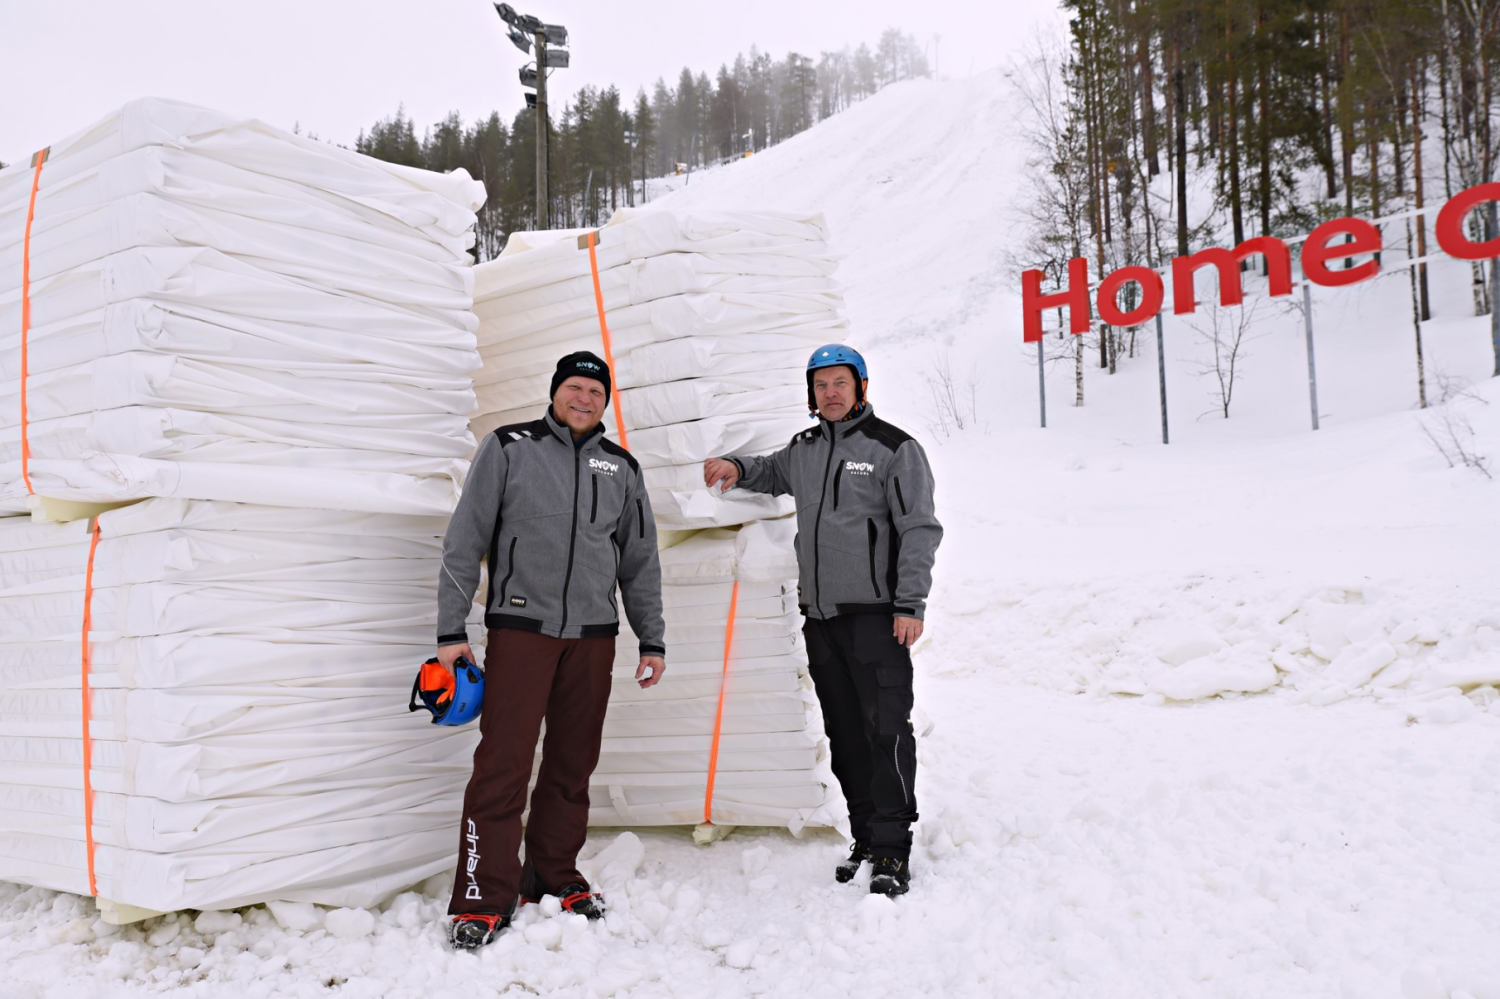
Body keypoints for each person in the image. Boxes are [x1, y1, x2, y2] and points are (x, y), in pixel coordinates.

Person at [437, 350, 667, 950]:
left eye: (595, 391)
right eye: (574, 387)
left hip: (592, 638)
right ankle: (483, 895)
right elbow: (465, 540)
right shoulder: (510, 447)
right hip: (521, 632)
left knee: (572, 766)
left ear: (605, 401)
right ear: (555, 391)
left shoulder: (622, 467)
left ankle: (553, 873)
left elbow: (639, 560)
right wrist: (450, 631)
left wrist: (652, 637)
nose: (584, 399)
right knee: (503, 766)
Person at [703, 344, 941, 898]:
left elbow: (920, 529)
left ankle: (892, 849)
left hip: (878, 619)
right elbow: (772, 473)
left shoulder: (894, 449)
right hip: (821, 618)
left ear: (860, 386)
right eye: (821, 384)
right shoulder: (805, 449)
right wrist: (737, 468)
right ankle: (864, 836)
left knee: (886, 732)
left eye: (840, 382)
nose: (830, 393)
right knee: (845, 735)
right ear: (810, 393)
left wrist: (910, 604)